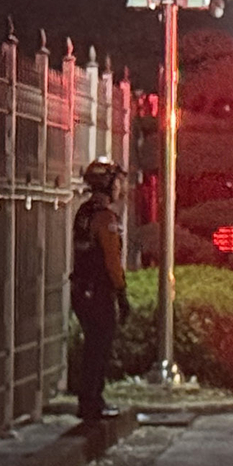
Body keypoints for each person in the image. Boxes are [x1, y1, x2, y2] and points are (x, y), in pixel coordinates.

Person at [70, 158, 132, 421]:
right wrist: (121, 294)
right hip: (98, 293)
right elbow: (112, 261)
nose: (120, 187)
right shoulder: (106, 218)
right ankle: (92, 401)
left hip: (81, 290)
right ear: (107, 184)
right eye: (117, 181)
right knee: (100, 348)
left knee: (92, 347)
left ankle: (89, 400)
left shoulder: (83, 212)